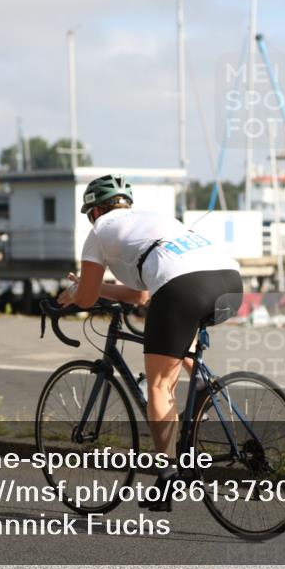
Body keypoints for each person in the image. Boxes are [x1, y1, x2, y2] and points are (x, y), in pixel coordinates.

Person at [58, 174, 242, 510]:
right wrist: (93, 288)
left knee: (158, 386)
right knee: (176, 344)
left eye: (89, 214)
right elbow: (139, 294)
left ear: (95, 211)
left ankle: (169, 476)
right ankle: (202, 382)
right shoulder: (154, 219)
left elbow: (84, 299)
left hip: (182, 288)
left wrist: (76, 290)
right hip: (229, 282)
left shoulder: (99, 231)